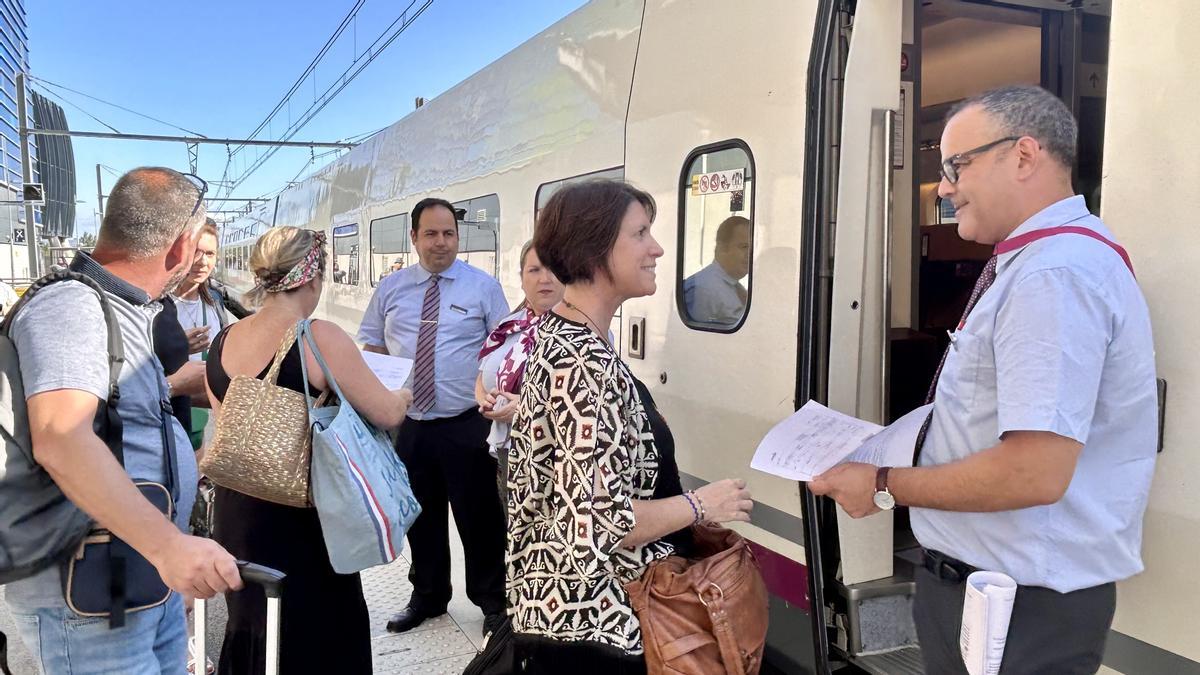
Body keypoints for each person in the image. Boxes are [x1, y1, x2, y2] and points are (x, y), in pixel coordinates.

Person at [810, 85, 1158, 674]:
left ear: (1024, 156)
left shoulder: (1054, 275)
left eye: (955, 165)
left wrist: (883, 483)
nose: (944, 186)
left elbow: (1032, 471)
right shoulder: (1040, 263)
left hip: (1019, 609)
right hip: (993, 595)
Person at [507, 179, 754, 673]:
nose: (657, 248)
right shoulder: (583, 363)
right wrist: (702, 503)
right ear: (595, 248)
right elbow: (599, 522)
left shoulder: (566, 337)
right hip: (594, 625)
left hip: (568, 614)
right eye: (640, 234)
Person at [3, 167, 241, 673]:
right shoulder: (72, 307)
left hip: (136, 580)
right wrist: (169, 546)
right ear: (178, 249)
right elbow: (60, 438)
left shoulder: (126, 310)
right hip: (88, 598)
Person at [205, 226, 412, 675]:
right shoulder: (319, 336)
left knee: (255, 625)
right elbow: (387, 413)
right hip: (306, 516)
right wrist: (404, 393)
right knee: (321, 630)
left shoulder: (223, 341)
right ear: (313, 277)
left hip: (238, 517)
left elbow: (230, 423)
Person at [358, 197, 510, 637]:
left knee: (479, 518)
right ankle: (428, 596)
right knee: (419, 517)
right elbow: (372, 342)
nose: (441, 242)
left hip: (466, 423)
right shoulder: (391, 289)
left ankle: (492, 603)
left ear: (457, 238)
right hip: (410, 426)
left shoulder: (483, 288)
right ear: (414, 238)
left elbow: (502, 349)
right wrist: (381, 390)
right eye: (431, 233)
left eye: (448, 234)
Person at [474, 240, 564, 505]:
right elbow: (482, 375)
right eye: (534, 270)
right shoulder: (510, 325)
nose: (544, 278)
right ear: (522, 279)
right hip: (509, 453)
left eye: (553, 269)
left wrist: (525, 409)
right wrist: (484, 400)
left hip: (552, 458)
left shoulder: (582, 330)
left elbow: (589, 399)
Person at [681, 215, 750, 326]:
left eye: (752, 248)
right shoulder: (703, 289)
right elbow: (695, 338)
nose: (750, 255)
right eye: (743, 247)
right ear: (721, 249)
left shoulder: (735, 287)